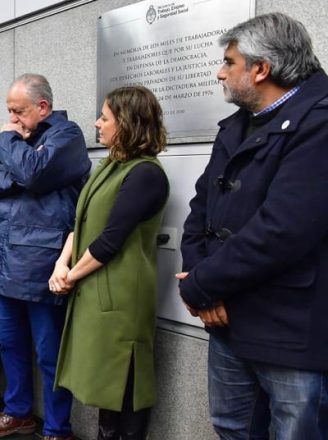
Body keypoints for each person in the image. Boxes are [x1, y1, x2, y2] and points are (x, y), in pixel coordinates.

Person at [178, 13, 328, 440]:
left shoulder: (319, 122)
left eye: (229, 62)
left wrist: (201, 285)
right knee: (231, 428)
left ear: (260, 69)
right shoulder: (237, 125)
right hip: (226, 317)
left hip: (290, 330)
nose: (219, 72)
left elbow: (284, 229)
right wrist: (200, 283)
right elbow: (200, 212)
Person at [0, 74, 90, 440]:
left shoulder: (66, 136)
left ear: (42, 107)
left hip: (42, 265)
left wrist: (11, 146)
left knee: (48, 352)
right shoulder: (19, 139)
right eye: (8, 112)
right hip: (5, 260)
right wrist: (21, 170)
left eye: (18, 112)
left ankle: (58, 427)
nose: (12, 120)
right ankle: (18, 411)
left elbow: (35, 173)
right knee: (10, 344)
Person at [50, 86, 168, 440]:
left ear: (128, 123)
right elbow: (81, 223)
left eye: (104, 117)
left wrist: (70, 275)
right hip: (95, 290)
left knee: (125, 388)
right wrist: (60, 265)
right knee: (106, 389)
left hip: (121, 299)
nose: (97, 124)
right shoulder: (111, 166)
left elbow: (110, 239)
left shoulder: (146, 174)